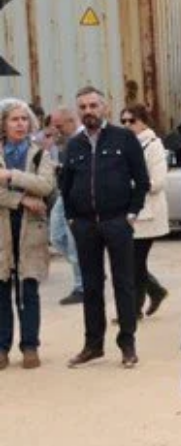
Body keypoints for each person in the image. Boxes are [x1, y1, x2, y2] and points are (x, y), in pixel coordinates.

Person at [61, 86, 149, 369]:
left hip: (117, 222)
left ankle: (127, 344)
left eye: (93, 105)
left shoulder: (124, 138)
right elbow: (65, 187)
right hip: (85, 225)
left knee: (124, 283)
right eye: (83, 107)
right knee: (91, 286)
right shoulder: (73, 146)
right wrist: (72, 219)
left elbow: (142, 180)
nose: (88, 111)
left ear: (105, 107)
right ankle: (93, 345)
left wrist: (131, 214)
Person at [0, 99, 56, 370]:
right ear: (3, 124)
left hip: (30, 229)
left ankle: (30, 346)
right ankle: (2, 348)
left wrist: (11, 175)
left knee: (28, 289)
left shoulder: (39, 154)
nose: (20, 124)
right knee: (1, 290)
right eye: (14, 119)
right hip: (2, 230)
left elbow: (45, 185)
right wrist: (21, 200)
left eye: (24, 119)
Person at [119, 105, 169, 318]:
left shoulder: (153, 145)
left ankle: (134, 310)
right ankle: (155, 292)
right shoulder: (126, 145)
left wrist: (127, 184)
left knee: (134, 263)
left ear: (143, 121)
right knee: (131, 263)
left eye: (132, 121)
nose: (127, 125)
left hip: (148, 214)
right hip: (131, 213)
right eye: (123, 121)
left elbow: (157, 181)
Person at [47, 107, 84, 306]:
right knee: (56, 236)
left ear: (71, 121)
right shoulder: (68, 142)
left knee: (73, 242)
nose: (56, 130)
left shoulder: (81, 140)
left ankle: (82, 286)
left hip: (75, 196)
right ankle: (88, 271)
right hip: (65, 193)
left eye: (59, 126)